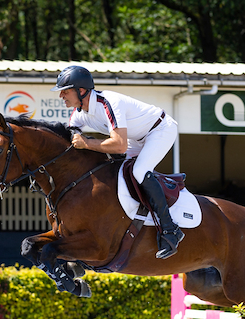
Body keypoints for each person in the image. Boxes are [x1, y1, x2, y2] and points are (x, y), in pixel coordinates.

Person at [51, 65, 183, 260]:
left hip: (160, 129)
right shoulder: (78, 113)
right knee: (116, 172)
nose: (61, 95)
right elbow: (71, 139)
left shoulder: (108, 103)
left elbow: (120, 145)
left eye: (65, 91)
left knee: (139, 171)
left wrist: (87, 143)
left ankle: (170, 230)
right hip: (136, 138)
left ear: (81, 90)